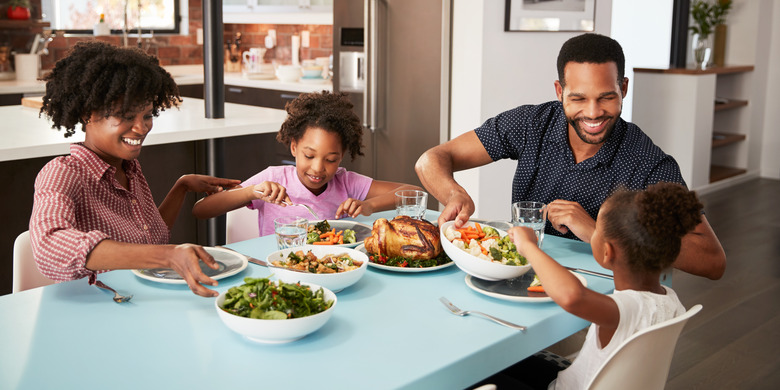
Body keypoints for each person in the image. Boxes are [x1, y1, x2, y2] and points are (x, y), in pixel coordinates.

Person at [415, 33, 725, 280]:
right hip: (517, 277)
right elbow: (431, 159)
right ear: (559, 91)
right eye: (578, 98)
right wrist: (454, 193)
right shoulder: (530, 124)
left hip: (595, 303)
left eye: (606, 97)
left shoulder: (648, 162)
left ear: (624, 89)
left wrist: (598, 232)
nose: (593, 113)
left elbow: (712, 261)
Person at [31, 41, 241, 297]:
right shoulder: (63, 173)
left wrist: (182, 186)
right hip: (96, 307)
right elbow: (49, 246)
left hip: (136, 299)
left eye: (147, 115)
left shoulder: (130, 169)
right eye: (126, 116)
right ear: (87, 113)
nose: (141, 128)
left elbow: (151, 239)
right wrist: (166, 256)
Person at [493, 182, 701, 389]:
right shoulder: (670, 300)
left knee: (483, 374)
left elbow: (573, 296)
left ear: (607, 251)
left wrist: (528, 246)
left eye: (597, 230)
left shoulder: (624, 309)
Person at [192, 91, 421, 235]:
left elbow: (415, 192)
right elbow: (201, 209)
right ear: (293, 147)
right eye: (309, 156)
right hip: (277, 271)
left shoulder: (347, 183)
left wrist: (369, 206)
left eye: (331, 159)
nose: (318, 168)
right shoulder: (274, 178)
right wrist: (252, 192)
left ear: (341, 156)